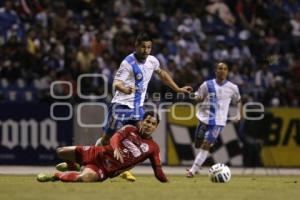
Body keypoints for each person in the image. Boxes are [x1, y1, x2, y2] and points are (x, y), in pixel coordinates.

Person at [95, 32, 192, 181]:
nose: (146, 50)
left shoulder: (152, 61)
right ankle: (91, 159)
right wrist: (125, 89)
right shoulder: (128, 63)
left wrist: (177, 88)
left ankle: (121, 168)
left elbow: (162, 74)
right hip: (120, 106)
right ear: (136, 46)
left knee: (140, 140)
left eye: (149, 47)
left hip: (137, 108)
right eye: (143, 47)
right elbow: (116, 82)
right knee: (108, 138)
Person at [37, 111, 168, 183]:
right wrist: (116, 147)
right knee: (60, 152)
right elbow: (115, 137)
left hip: (104, 169)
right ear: (141, 122)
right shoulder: (129, 128)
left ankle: (56, 176)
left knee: (84, 178)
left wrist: (166, 181)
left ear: (156, 127)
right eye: (147, 121)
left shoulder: (153, 148)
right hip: (96, 153)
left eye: (153, 124)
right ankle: (75, 166)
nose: (149, 125)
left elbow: (158, 171)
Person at [187, 62, 242, 178]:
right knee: (197, 144)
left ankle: (193, 170)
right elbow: (199, 96)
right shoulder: (207, 84)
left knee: (206, 144)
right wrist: (196, 97)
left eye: (225, 69)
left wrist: (238, 114)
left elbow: (238, 100)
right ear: (216, 71)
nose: (222, 71)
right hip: (204, 118)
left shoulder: (233, 87)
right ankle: (197, 164)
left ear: (227, 72)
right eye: (220, 68)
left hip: (219, 122)